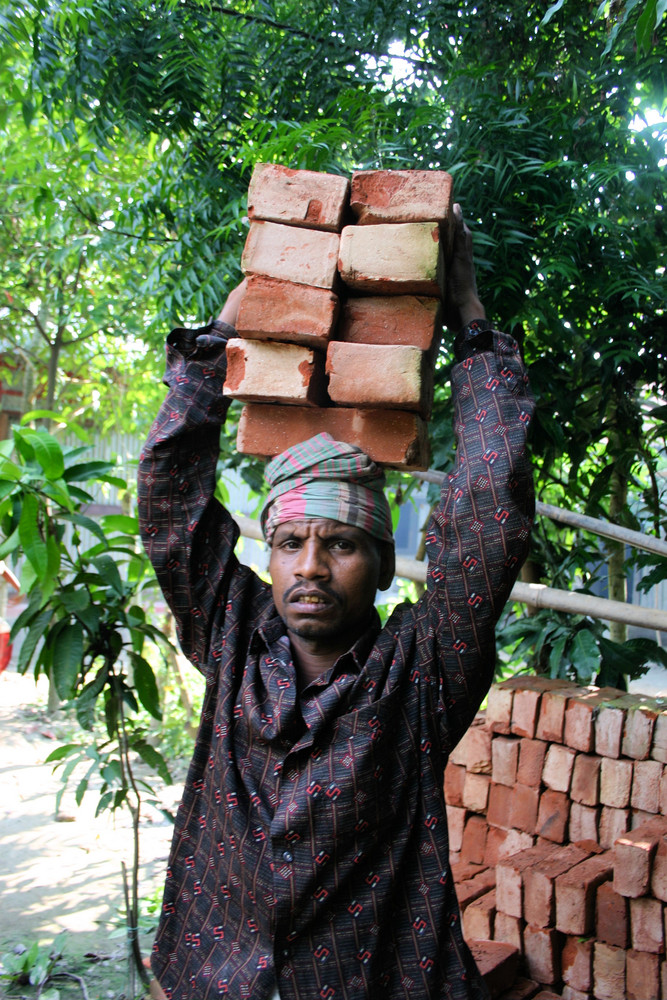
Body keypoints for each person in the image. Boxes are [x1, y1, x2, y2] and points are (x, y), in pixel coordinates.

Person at [138, 205, 535, 1000]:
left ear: (384, 566)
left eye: (342, 544)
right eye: (290, 544)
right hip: (214, 981)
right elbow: (169, 498)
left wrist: (468, 315)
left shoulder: (418, 676)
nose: (310, 566)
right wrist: (229, 326)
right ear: (269, 556)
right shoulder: (232, 638)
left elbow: (488, 514)